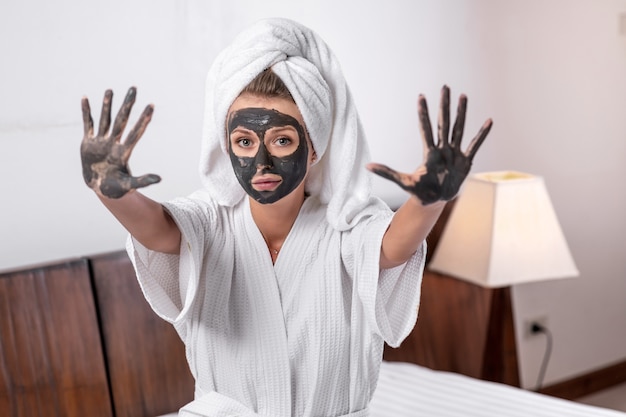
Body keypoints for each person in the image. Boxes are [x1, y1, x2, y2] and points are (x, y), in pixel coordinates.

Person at [80, 18, 491, 417]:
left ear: (313, 147)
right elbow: (158, 230)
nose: (261, 162)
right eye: (244, 141)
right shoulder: (208, 221)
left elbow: (391, 246)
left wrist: (430, 201)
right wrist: (110, 191)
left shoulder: (346, 223)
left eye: (281, 140)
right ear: (227, 147)